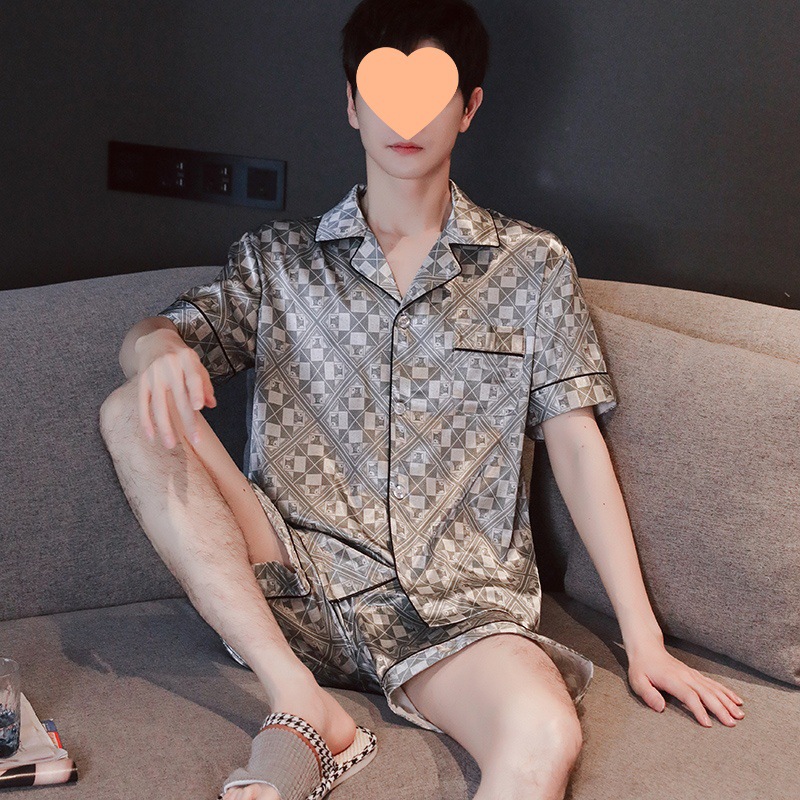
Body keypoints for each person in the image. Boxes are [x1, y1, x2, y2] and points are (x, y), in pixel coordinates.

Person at [99, 1, 745, 799]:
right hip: (290, 581)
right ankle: (300, 704)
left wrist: (643, 641)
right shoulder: (278, 261)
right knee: (129, 409)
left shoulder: (532, 266)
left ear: (469, 108)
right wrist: (155, 345)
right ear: (352, 104)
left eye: (432, 94)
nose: (405, 118)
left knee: (544, 735)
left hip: (457, 611)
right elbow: (159, 335)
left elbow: (578, 447)